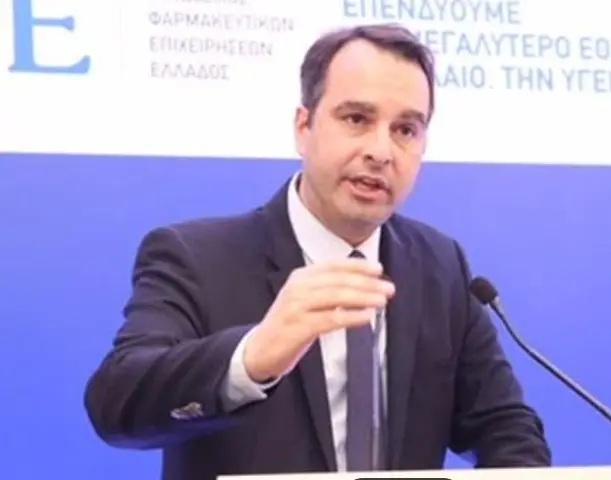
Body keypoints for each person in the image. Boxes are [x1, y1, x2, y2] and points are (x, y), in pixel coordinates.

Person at [83, 22, 551, 480]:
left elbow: (504, 426)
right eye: (356, 119)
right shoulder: (196, 258)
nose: (381, 152)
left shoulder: (440, 267)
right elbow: (117, 404)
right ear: (303, 127)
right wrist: (251, 358)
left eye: (406, 129)